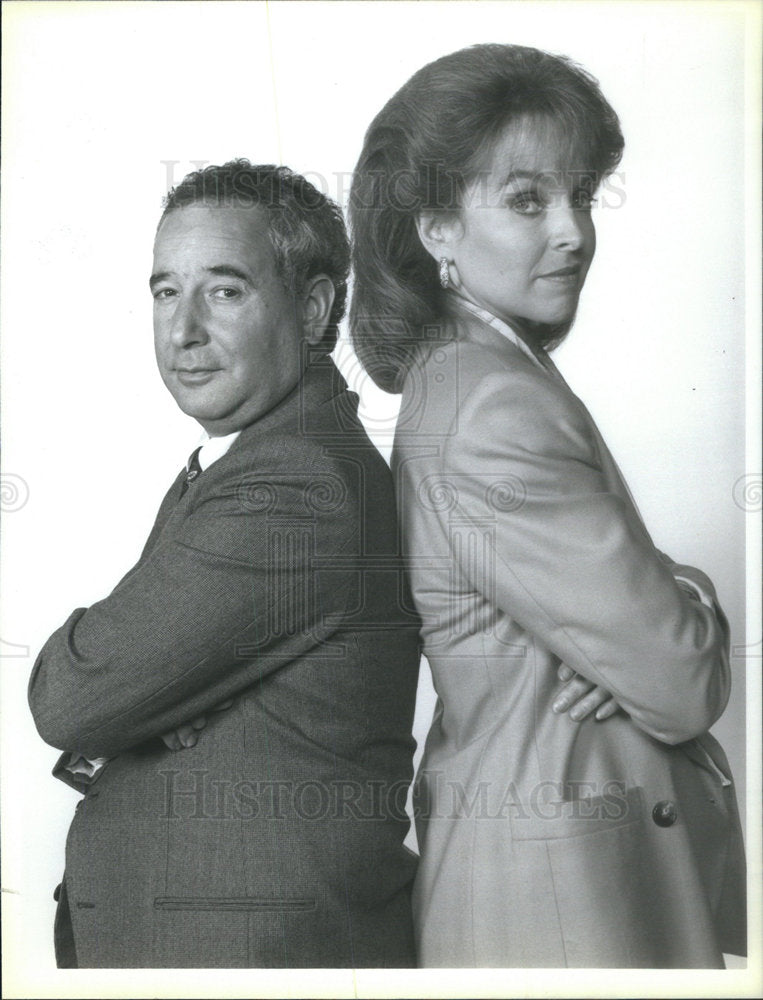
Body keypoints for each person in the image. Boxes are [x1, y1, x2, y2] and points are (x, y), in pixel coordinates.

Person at [349, 44, 746, 968]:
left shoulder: (476, 375)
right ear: (437, 226)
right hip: (563, 902)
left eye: (579, 194)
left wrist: (656, 604)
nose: (572, 231)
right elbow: (683, 684)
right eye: (527, 200)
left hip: (555, 870)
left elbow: (646, 653)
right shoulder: (490, 406)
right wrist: (679, 606)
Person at [28, 160, 421, 968]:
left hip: (249, 955)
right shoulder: (252, 460)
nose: (182, 331)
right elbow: (124, 680)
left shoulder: (295, 483)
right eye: (166, 291)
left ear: (312, 310)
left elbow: (70, 697)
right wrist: (158, 693)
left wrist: (128, 678)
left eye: (225, 290)